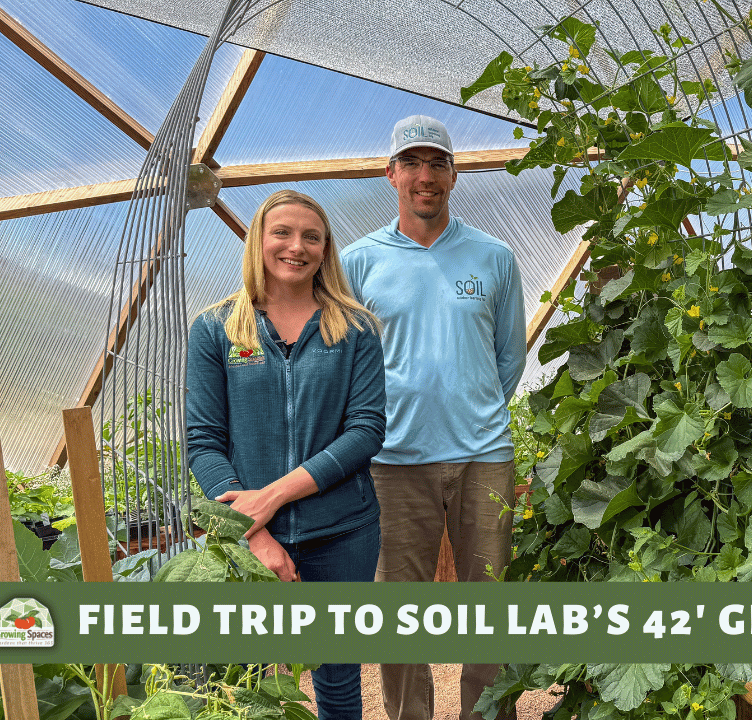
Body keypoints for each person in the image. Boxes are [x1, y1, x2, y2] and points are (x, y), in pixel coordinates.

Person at [340, 115, 526, 720]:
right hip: (393, 462)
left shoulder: (493, 258)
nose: (425, 176)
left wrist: (470, 411)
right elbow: (345, 362)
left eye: (437, 163)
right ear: (391, 173)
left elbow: (509, 356)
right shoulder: (358, 263)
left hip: (483, 457)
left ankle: (487, 714)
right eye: (412, 163)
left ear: (454, 173)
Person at [186, 189, 386, 720]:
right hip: (253, 541)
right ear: (258, 240)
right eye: (282, 232)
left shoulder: (356, 329)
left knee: (338, 676)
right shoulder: (216, 329)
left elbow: (365, 431)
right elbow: (204, 442)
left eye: (311, 236)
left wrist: (271, 497)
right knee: (253, 678)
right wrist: (253, 532)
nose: (296, 246)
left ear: (325, 249)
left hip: (344, 532)